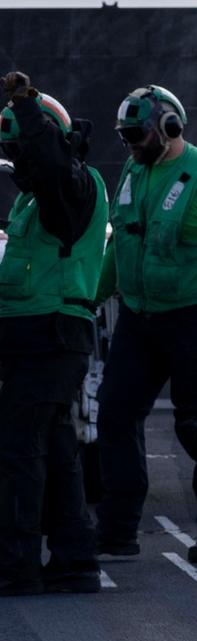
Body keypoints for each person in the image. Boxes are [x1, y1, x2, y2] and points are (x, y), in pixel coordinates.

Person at [0, 71, 108, 598]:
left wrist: (24, 104)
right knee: (54, 450)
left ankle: (17, 564)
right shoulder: (37, 200)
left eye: (20, 149)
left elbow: (48, 166)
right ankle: (74, 560)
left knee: (15, 453)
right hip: (39, 340)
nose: (17, 162)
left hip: (53, 338)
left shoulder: (71, 187)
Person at [94, 85, 197, 563]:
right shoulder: (134, 170)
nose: (130, 144)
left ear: (169, 127)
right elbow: (121, 243)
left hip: (189, 317)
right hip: (139, 317)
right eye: (125, 136)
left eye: (137, 134)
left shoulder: (196, 175)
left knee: (195, 425)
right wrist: (88, 299)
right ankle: (117, 533)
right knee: (114, 413)